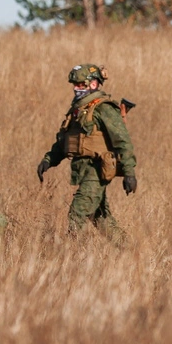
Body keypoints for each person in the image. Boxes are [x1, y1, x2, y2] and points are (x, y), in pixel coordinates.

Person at [37, 63, 138, 236]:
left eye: (81, 85)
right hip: (82, 169)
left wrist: (129, 173)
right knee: (100, 217)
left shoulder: (104, 108)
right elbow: (66, 141)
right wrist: (48, 160)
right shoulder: (78, 110)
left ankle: (77, 257)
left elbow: (123, 141)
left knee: (77, 213)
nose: (76, 89)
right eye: (75, 85)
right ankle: (132, 252)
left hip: (98, 169)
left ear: (93, 84)